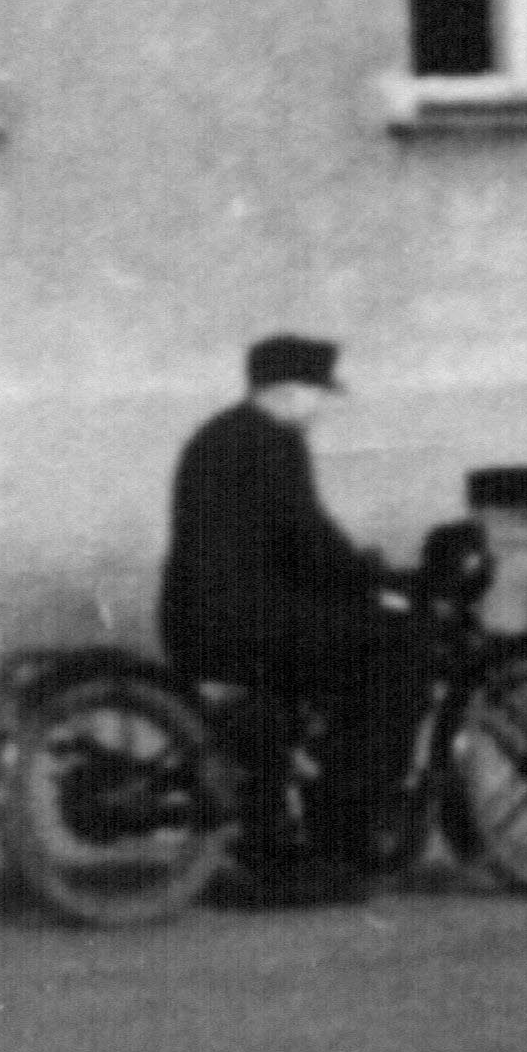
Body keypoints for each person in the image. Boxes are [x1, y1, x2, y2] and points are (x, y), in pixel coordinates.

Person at [158, 334, 420, 856]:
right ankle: (343, 833)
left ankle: (297, 803)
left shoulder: (218, 435)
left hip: (198, 618)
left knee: (343, 645)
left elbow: (282, 541)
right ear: (290, 390)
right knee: (397, 651)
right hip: (242, 621)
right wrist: (373, 582)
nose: (322, 406)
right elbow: (307, 538)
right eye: (318, 392)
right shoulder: (273, 443)